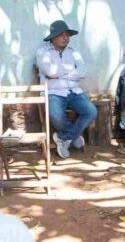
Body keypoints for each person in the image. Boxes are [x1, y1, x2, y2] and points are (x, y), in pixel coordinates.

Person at [36, 20, 97, 158]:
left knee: (91, 111)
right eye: (61, 35)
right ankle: (73, 136)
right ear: (53, 37)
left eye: (67, 35)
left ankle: (64, 137)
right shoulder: (43, 52)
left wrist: (60, 75)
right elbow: (49, 71)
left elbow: (83, 71)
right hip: (53, 92)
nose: (65, 38)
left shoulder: (73, 52)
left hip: (74, 91)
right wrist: (71, 71)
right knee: (55, 115)